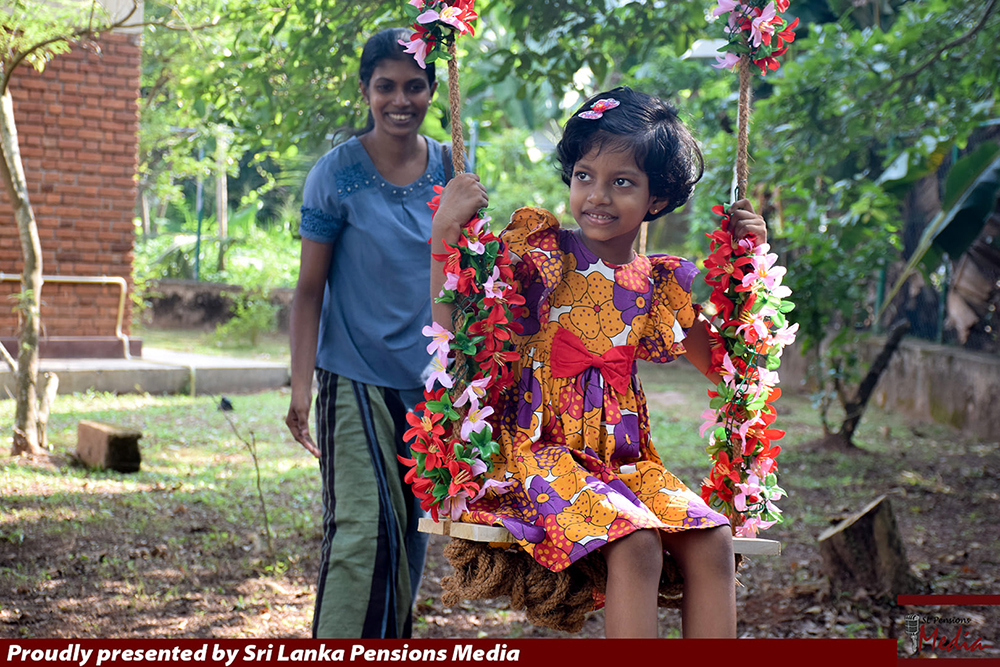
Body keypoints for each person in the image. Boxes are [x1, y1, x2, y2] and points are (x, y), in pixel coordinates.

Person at [429, 86, 767, 638]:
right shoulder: (541, 257)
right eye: (585, 176)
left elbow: (730, 369)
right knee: (637, 545)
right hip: (538, 456)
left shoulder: (658, 284)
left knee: (715, 542)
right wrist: (445, 235)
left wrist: (747, 269)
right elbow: (457, 332)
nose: (598, 196)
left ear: (657, 198)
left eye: (622, 182)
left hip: (625, 463)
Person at [285, 27, 475, 639]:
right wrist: (299, 388)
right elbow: (309, 290)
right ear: (365, 90)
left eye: (414, 86)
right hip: (354, 378)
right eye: (385, 86)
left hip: (431, 388)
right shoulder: (335, 174)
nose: (400, 99)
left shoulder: (453, 166)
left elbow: (469, 279)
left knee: (408, 535)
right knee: (362, 529)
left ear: (432, 91)